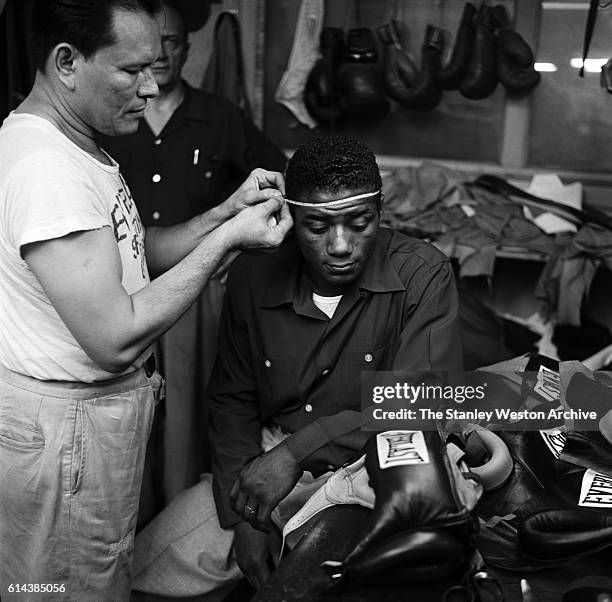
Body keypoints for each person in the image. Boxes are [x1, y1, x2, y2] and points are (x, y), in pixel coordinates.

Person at [0, 0, 292, 599]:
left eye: (155, 66)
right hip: (67, 437)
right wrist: (227, 243)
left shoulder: (78, 144)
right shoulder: (48, 168)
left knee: (93, 577)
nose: (152, 85)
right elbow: (113, 337)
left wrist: (222, 214)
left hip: (83, 428)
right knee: (67, 588)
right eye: (132, 70)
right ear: (67, 63)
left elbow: (139, 250)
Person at [131, 135, 463, 597]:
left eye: (360, 223)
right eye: (318, 227)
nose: (342, 245)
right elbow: (232, 401)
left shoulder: (423, 274)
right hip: (266, 458)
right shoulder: (254, 273)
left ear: (381, 211)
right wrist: (244, 515)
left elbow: (418, 407)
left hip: (377, 465)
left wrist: (297, 453)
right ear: (290, 217)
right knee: (141, 573)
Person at [101, 0, 288, 517]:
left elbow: (280, 183)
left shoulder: (219, 118)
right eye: (149, 44)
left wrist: (234, 239)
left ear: (187, 48)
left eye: (172, 42)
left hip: (194, 290)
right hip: (114, 290)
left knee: (187, 412)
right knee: (122, 411)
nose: (159, 55)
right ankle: (129, 519)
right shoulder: (109, 116)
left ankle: (179, 522)